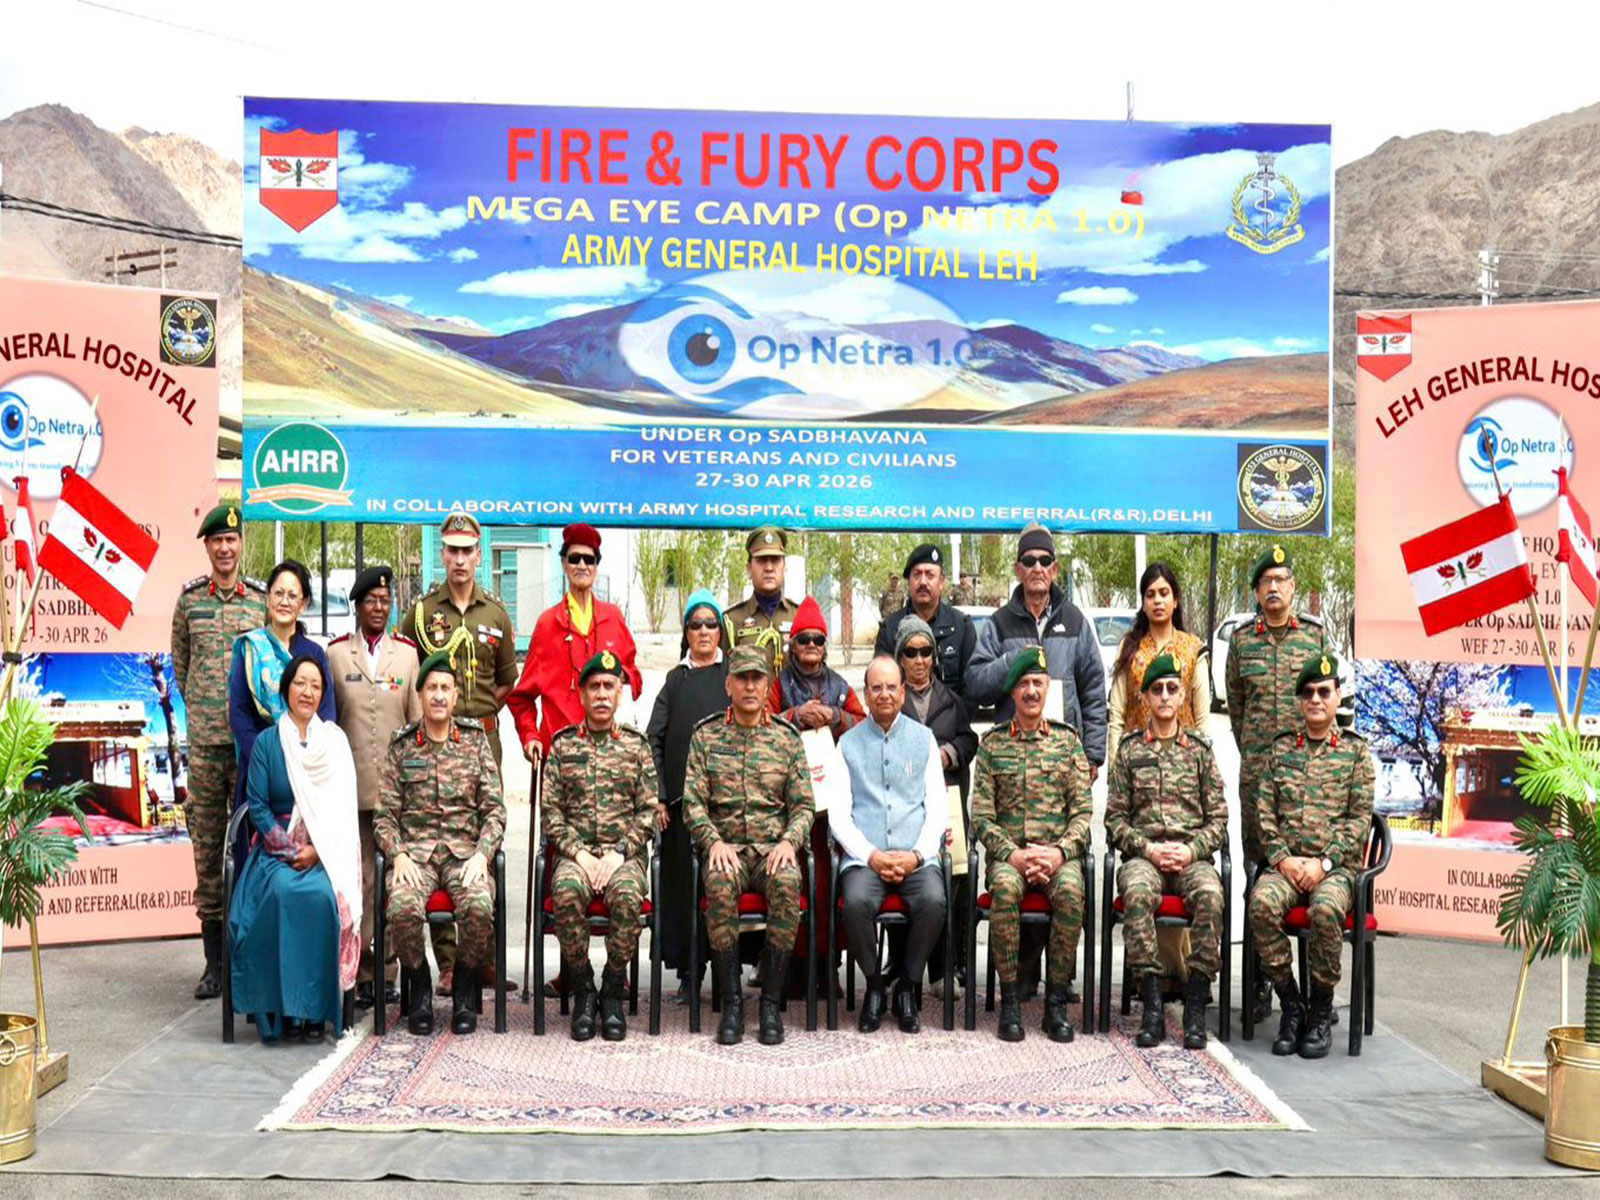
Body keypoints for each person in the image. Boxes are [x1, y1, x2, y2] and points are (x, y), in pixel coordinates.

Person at [396, 509, 518, 995]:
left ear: (479, 555)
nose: (460, 559)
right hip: (431, 743)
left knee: (483, 841)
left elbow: (506, 680)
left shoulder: (496, 614)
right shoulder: (422, 613)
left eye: (468, 550)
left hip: (482, 741)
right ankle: (448, 964)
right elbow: (406, 669)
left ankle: (480, 959)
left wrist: (473, 722)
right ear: (442, 554)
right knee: (435, 838)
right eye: (452, 550)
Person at [683, 645, 815, 1046]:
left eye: (757, 678)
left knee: (788, 884)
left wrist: (790, 842)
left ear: (767, 684)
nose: (750, 686)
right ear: (729, 685)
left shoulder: (786, 738)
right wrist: (713, 841)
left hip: (773, 850)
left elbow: (804, 805)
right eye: (742, 678)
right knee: (719, 885)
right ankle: (733, 1003)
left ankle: (771, 1003)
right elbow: (692, 803)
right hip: (727, 850)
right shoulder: (706, 736)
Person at [228, 655, 361, 1043]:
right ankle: (283, 1010)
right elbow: (258, 806)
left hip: (324, 849)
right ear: (286, 689)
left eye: (315, 685)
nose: (307, 691)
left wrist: (317, 851)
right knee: (283, 892)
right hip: (276, 851)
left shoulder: (333, 742)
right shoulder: (268, 743)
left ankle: (315, 1010)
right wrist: (289, 851)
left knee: (323, 897)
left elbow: (341, 808)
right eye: (300, 683)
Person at [375, 652, 506, 1036]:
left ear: (455, 695)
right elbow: (384, 815)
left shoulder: (474, 741)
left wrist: (483, 855)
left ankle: (464, 981)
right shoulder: (402, 746)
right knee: (401, 908)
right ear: (420, 695)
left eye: (445, 688)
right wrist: (397, 854)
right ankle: (419, 984)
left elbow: (495, 810)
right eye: (431, 687)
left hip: (465, 855)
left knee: (479, 907)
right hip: (414, 857)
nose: (438, 695)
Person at [1249, 654, 1373, 1059]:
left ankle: (1320, 1009)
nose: (1316, 699)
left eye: (1323, 691)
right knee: (1261, 904)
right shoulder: (1281, 749)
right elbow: (1264, 813)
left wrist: (1324, 863)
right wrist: (1282, 859)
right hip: (1287, 866)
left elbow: (1359, 821)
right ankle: (1291, 1003)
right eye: (1308, 693)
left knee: (1325, 910)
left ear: (1337, 696)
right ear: (1300, 701)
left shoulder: (1355, 753)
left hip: (1334, 870)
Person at [1226, 543, 1329, 1021]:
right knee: (1258, 874)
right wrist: (1257, 754)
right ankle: (1260, 982)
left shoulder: (1314, 637)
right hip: (1257, 777)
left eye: (1281, 580)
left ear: (1293, 588)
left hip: (1306, 778)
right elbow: (1237, 707)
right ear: (1256, 591)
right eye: (1265, 581)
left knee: (1307, 874)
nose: (1273, 588)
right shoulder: (1241, 642)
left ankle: (1314, 986)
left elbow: (1322, 701)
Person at [1106, 652, 1229, 1050]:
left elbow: (1218, 818)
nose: (1164, 696)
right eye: (1156, 689)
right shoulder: (1129, 751)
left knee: (1211, 894)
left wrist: (1192, 851)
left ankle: (1195, 1002)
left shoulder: (1200, 751)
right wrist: (1148, 849)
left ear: (1181, 697)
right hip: (1146, 857)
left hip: (1191, 857)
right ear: (1145, 698)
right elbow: (1114, 819)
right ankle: (1152, 1003)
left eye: (1172, 689)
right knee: (1136, 893)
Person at [970, 647, 1092, 1043]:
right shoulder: (992, 745)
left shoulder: (1067, 742)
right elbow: (981, 817)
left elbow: (1082, 813)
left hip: (1058, 856)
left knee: (1071, 893)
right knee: (1004, 890)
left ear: (1048, 687)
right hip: (1010, 856)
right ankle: (1010, 1000)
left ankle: (1055, 1002)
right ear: (1012, 692)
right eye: (1023, 684)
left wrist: (1059, 853)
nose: (1031, 691)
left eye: (1038, 682)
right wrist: (1014, 855)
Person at [171, 503, 266, 1001]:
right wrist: (206, 712)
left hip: (249, 746)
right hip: (208, 747)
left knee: (252, 845)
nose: (225, 548)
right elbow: (181, 664)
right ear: (207, 547)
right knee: (208, 849)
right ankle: (215, 964)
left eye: (231, 540)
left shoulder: (260, 602)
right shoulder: (190, 603)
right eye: (217, 541)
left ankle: (249, 957)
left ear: (240, 543)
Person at [545, 652, 660, 1041]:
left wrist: (619, 853)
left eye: (609, 686)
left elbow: (648, 811)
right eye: (593, 686)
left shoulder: (636, 746)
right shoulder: (563, 746)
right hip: (575, 855)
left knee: (627, 897)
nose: (601, 694)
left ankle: (612, 989)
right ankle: (583, 988)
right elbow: (551, 813)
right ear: (581, 694)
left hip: (622, 856)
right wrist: (579, 854)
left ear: (620, 693)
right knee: (565, 893)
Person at [834, 656, 949, 1034]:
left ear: (902, 693)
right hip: (866, 859)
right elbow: (839, 816)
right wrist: (871, 855)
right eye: (876, 688)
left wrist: (916, 855)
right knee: (855, 903)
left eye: (891, 687)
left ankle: (907, 985)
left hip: (916, 857)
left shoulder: (924, 739)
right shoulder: (847, 744)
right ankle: (875, 985)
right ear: (866, 694)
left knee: (934, 901)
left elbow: (938, 810)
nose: (884, 694)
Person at [327, 565, 421, 1010]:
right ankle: (362, 971)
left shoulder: (406, 656)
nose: (379, 608)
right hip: (353, 790)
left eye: (385, 601)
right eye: (371, 601)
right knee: (361, 881)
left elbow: (418, 724)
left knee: (395, 882)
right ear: (358, 606)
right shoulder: (336, 655)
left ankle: (389, 970)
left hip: (398, 792)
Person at [967, 525, 1107, 774]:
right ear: (1018, 569)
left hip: (1064, 759)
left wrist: (1093, 755)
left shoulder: (1076, 622)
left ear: (1055, 569)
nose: (1037, 568)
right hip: (1013, 762)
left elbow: (1093, 691)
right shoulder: (999, 623)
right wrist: (1012, 662)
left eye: (1045, 560)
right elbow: (977, 685)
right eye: (1029, 561)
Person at [646, 588, 728, 1003]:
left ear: (721, 631)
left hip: (727, 811)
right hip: (680, 809)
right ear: (686, 632)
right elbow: (654, 740)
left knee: (721, 890)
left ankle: (727, 971)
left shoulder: (734, 677)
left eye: (711, 623)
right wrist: (660, 796)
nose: (704, 631)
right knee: (685, 892)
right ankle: (689, 972)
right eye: (696, 624)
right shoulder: (674, 682)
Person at [509, 521, 643, 768]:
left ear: (596, 566)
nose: (582, 565)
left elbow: (635, 679)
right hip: (561, 761)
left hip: (610, 760)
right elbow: (521, 697)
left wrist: (619, 675)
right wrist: (530, 736)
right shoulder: (548, 624)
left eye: (589, 559)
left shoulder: (613, 618)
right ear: (564, 563)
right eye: (574, 558)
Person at [893, 615, 976, 997]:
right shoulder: (891, 701)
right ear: (900, 658)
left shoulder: (951, 700)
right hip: (904, 806)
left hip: (947, 803)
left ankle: (942, 970)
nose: (919, 660)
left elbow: (969, 739)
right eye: (911, 652)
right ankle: (900, 968)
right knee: (902, 878)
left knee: (949, 883)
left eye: (926, 651)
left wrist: (950, 753)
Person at [228, 559, 336, 820]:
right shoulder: (251, 649)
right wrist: (268, 760)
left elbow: (327, 715)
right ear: (268, 598)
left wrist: (304, 757)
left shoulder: (314, 654)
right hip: (260, 768)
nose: (284, 602)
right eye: (278, 593)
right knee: (260, 838)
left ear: (304, 603)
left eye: (292, 596)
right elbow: (239, 714)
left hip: (308, 770)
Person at [1106, 562, 1210, 752]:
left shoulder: (1193, 650)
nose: (1157, 601)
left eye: (1164, 593)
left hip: (1183, 761)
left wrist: (1203, 761)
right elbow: (1117, 716)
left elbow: (1203, 720)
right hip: (1137, 759)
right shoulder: (1129, 648)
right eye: (1150, 595)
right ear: (1143, 604)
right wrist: (1115, 763)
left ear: (1175, 600)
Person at [874, 543, 979, 705]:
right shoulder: (890, 630)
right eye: (917, 575)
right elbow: (881, 687)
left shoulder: (961, 627)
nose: (923, 582)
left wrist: (953, 719)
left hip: (952, 719)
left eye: (930, 575)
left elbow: (970, 690)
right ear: (909, 582)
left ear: (941, 581)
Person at [770, 596, 865, 737]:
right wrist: (796, 715)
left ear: (824, 647)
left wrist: (835, 716)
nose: (811, 645)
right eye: (804, 639)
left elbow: (863, 725)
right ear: (793, 646)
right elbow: (764, 724)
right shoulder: (781, 683)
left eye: (818, 640)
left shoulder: (839, 685)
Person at [720, 525, 799, 677]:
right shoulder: (732, 621)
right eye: (762, 560)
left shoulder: (798, 615)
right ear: (749, 569)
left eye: (775, 560)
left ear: (784, 568)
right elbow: (723, 677)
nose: (769, 568)